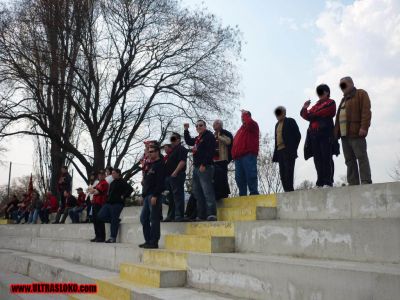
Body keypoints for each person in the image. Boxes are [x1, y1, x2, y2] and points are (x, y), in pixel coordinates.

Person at [334, 76, 372, 185]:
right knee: (349, 160)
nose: (342, 87)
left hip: (356, 133)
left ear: (351, 83)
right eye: (341, 85)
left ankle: (365, 181)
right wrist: (336, 134)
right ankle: (353, 183)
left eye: (344, 84)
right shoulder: (343, 99)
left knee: (361, 157)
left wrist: (364, 127)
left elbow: (366, 112)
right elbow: (338, 119)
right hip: (344, 136)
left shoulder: (361, 94)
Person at [301, 84, 337, 187]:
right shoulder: (315, 105)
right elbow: (305, 115)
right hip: (314, 135)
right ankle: (320, 181)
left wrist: (313, 115)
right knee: (317, 159)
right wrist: (305, 107)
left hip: (325, 133)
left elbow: (328, 111)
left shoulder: (331, 102)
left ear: (326, 92)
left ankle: (328, 181)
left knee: (326, 157)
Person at [184, 120, 217, 221]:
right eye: (197, 126)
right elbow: (189, 141)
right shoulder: (198, 138)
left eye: (201, 125)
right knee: (198, 192)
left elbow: (211, 151)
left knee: (207, 191)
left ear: (205, 126)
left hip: (205, 167)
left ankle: (211, 214)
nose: (198, 127)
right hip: (196, 168)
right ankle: (201, 215)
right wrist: (186, 130)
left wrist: (204, 164)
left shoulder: (209, 136)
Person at [139, 144, 166, 248]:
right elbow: (147, 182)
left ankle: (154, 242)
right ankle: (148, 240)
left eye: (151, 151)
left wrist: (155, 195)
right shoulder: (150, 165)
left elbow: (160, 182)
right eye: (148, 152)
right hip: (147, 195)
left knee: (154, 219)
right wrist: (143, 195)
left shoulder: (160, 164)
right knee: (143, 218)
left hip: (154, 195)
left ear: (157, 152)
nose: (149, 154)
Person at [98, 169, 133, 243]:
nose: (112, 174)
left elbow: (130, 189)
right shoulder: (112, 183)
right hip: (109, 203)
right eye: (112, 173)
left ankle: (112, 237)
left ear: (118, 174)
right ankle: (115, 221)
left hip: (117, 204)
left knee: (114, 219)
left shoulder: (122, 182)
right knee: (100, 216)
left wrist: (124, 196)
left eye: (114, 173)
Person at [272, 106, 301, 192]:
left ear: (284, 113)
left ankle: (290, 191)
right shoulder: (276, 125)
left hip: (288, 151)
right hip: (279, 151)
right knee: (282, 173)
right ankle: (286, 191)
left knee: (289, 172)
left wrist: (293, 148)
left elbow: (298, 136)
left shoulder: (290, 121)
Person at [231, 110, 260, 196]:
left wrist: (245, 114)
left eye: (244, 117)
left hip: (248, 154)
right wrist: (233, 155)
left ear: (248, 117)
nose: (242, 119)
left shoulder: (253, 125)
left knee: (250, 174)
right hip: (238, 158)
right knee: (239, 178)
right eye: (242, 118)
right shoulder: (240, 130)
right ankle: (242, 195)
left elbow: (249, 122)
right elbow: (235, 143)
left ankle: (254, 193)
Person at [164, 133, 188, 222]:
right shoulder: (172, 151)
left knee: (178, 196)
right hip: (169, 177)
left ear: (178, 139)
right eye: (171, 139)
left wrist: (175, 171)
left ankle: (179, 215)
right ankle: (171, 216)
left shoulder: (181, 149)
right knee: (171, 198)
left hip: (177, 175)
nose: (172, 140)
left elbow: (182, 161)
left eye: (173, 138)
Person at [212, 120, 233, 200]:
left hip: (223, 159)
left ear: (221, 125)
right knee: (215, 178)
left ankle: (224, 194)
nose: (214, 125)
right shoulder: (212, 135)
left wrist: (219, 136)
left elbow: (228, 141)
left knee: (223, 177)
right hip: (213, 160)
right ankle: (216, 194)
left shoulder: (225, 133)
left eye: (216, 123)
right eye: (214, 124)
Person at [88, 170, 109, 243]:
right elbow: (90, 190)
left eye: (102, 174)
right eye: (100, 174)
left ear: (104, 175)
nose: (100, 176)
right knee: (94, 220)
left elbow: (96, 192)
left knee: (99, 220)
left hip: (100, 204)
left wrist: (93, 190)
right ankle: (97, 236)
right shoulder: (98, 183)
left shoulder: (104, 183)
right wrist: (93, 190)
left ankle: (101, 237)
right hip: (94, 203)